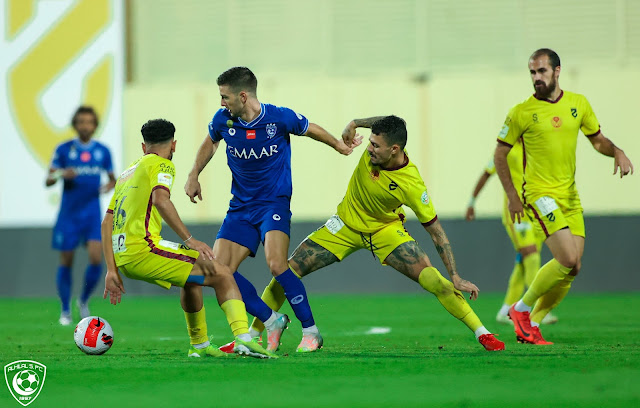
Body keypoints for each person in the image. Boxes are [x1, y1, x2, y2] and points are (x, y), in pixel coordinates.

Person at [247, 115, 505, 352]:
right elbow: (388, 121)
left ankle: (483, 333)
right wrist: (355, 122)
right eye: (370, 142)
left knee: (433, 281)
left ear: (395, 149)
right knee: (286, 271)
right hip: (344, 225)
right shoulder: (378, 146)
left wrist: (456, 276)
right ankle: (254, 334)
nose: (368, 149)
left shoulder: (412, 184)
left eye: (375, 146)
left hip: (385, 231)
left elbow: (436, 233)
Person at [185, 67, 359, 353]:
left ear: (243, 96)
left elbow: (310, 128)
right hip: (239, 207)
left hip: (273, 204)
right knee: (219, 270)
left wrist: (339, 146)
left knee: (277, 264)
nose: (221, 103)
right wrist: (194, 174)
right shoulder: (223, 120)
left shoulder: (277, 118)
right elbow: (211, 141)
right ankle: (271, 320)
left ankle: (311, 332)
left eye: (224, 97)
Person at [102, 118, 274, 359]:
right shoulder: (161, 165)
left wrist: (111, 269)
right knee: (222, 272)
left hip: (123, 255)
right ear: (174, 145)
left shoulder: (127, 173)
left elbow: (107, 221)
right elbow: (162, 200)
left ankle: (200, 346)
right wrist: (190, 238)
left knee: (191, 279)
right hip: (144, 248)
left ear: (144, 147)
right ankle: (244, 339)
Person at [494, 48, 634, 345]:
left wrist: (617, 151)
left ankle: (532, 322)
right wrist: (511, 196)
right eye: (532, 72)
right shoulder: (521, 112)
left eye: (541, 71)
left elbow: (597, 140)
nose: (536, 78)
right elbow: (500, 154)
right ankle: (520, 309)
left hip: (570, 197)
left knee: (573, 267)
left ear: (557, 71)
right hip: (539, 194)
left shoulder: (578, 104)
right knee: (566, 257)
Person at [466, 141, 557, 325]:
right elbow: (486, 174)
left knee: (524, 263)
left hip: (535, 211)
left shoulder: (535, 147)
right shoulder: (505, 150)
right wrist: (471, 202)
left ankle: (506, 310)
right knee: (530, 256)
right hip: (515, 213)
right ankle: (538, 308)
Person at [46, 106, 116, 326]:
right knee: (66, 259)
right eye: (81, 122)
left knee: (97, 258)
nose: (85, 125)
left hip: (92, 213)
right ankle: (65, 309)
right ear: (75, 125)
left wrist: (108, 186)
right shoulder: (64, 149)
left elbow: (113, 179)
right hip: (69, 214)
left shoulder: (103, 151)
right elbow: (48, 179)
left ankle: (83, 301)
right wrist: (60, 174)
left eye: (89, 122)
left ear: (95, 125)